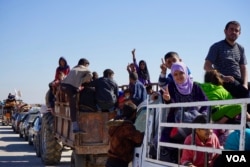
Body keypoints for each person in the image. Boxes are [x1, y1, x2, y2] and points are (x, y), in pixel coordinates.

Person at [204, 21, 249, 99]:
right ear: (225, 31)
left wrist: (245, 84)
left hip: (238, 80)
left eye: (236, 30)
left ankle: (245, 111)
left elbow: (244, 68)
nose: (234, 32)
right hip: (224, 80)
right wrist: (222, 76)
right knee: (245, 94)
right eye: (231, 29)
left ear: (239, 33)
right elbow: (206, 66)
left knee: (245, 89)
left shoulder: (241, 48)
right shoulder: (216, 47)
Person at [105, 102, 144, 167]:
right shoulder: (126, 127)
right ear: (133, 114)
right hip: (119, 163)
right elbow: (139, 139)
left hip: (111, 161)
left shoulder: (116, 124)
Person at [60, 58, 92, 133]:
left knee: (72, 103)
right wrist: (81, 81)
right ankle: (75, 128)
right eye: (87, 65)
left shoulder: (74, 68)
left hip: (63, 86)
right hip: (70, 88)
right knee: (73, 107)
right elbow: (90, 76)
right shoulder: (86, 69)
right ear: (85, 64)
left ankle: (75, 126)